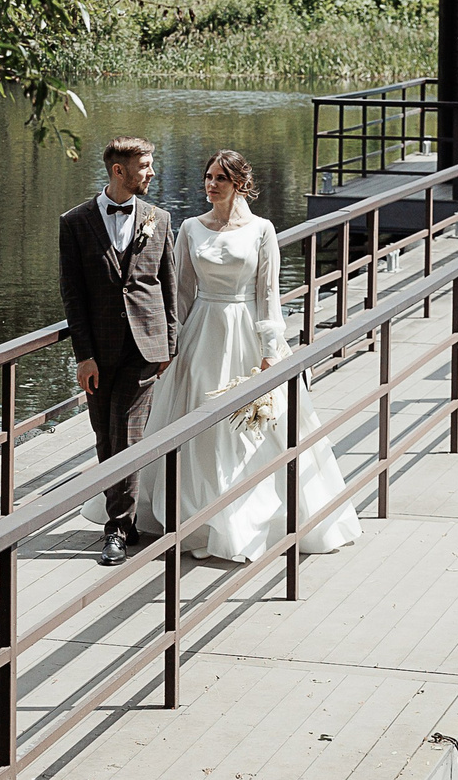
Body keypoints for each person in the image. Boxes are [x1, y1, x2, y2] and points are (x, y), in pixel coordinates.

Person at [134, 150, 362, 563]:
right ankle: (195, 519)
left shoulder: (262, 229)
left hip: (245, 334)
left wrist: (271, 352)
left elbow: (268, 295)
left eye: (221, 177)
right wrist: (172, 346)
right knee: (199, 423)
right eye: (207, 176)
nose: (211, 184)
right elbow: (182, 292)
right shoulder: (189, 227)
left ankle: (245, 519)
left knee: (249, 430)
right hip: (201, 333)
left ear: (239, 183)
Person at [58, 136, 176, 566]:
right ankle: (124, 520)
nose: (151, 172)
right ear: (118, 171)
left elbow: (168, 284)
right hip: (99, 352)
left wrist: (170, 342)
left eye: (150, 163)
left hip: (145, 348)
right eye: (144, 165)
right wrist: (83, 356)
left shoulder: (159, 219)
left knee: (125, 432)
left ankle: (117, 530)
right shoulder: (74, 222)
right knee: (105, 437)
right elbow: (72, 294)